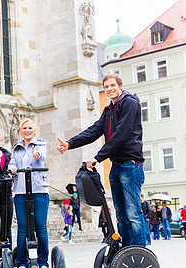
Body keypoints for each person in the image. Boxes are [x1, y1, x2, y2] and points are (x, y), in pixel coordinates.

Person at [57, 73, 146, 247]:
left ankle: (139, 253)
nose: (110, 89)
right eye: (106, 87)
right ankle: (127, 251)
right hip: (116, 166)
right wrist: (69, 143)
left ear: (120, 86)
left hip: (130, 165)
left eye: (113, 85)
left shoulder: (130, 104)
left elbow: (122, 134)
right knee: (121, 214)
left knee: (133, 213)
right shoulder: (109, 109)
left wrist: (98, 157)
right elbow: (94, 131)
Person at [9, 118, 51, 268]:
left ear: (34, 130)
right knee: (22, 229)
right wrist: (12, 167)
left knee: (41, 227)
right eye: (24, 128)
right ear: (20, 131)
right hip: (20, 191)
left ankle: (43, 263)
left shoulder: (41, 144)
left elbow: (42, 156)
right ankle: (21, 263)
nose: (27, 130)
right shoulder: (17, 148)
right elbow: (12, 162)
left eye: (30, 128)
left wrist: (37, 154)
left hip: (39, 189)